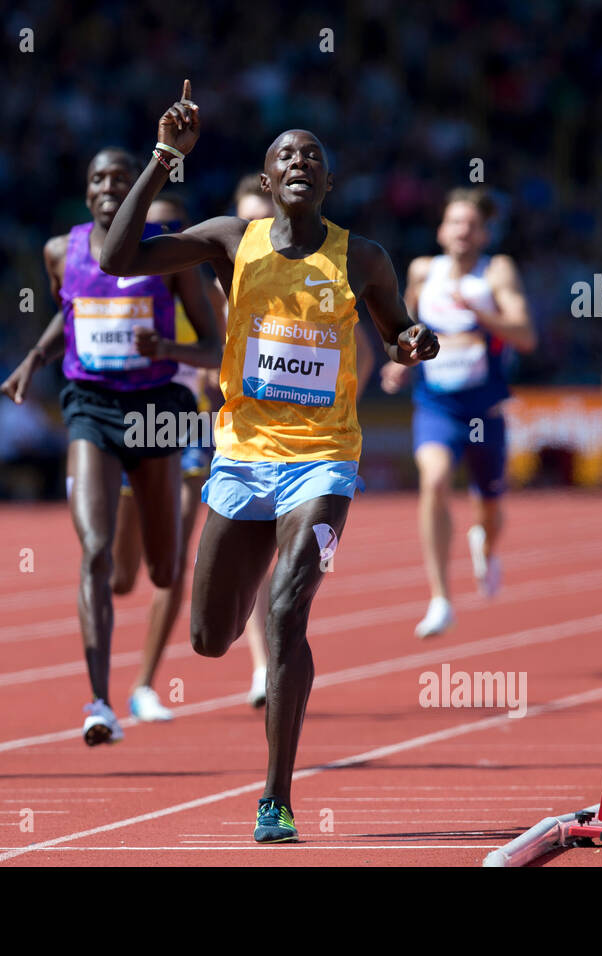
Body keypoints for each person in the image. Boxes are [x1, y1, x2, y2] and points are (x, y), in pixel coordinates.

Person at [100, 81, 439, 842]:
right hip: (242, 460)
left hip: (323, 462)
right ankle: (245, 646)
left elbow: (403, 334)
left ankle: (276, 797)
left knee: (287, 612)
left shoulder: (365, 259)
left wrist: (417, 343)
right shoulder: (231, 240)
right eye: (285, 154)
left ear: (327, 183)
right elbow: (116, 257)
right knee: (210, 638)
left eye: (312, 156)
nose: (300, 161)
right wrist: (163, 160)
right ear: (266, 179)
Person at [0, 148, 219, 745]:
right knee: (94, 552)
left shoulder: (171, 255)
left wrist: (167, 351)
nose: (108, 188)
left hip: (159, 413)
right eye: (98, 178)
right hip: (90, 407)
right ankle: (99, 701)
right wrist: (36, 357)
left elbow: (217, 346)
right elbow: (68, 314)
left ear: (140, 190)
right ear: (86, 187)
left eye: (121, 180)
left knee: (163, 567)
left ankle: (158, 619)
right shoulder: (59, 250)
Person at [219, 175, 377, 705]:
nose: (254, 226)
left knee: (289, 586)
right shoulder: (232, 263)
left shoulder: (327, 268)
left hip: (317, 451)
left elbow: (361, 348)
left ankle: (269, 664)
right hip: (236, 435)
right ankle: (255, 655)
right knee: (219, 599)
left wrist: (346, 387)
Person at [379, 188, 535, 638]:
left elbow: (525, 336)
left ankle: (484, 541)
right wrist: (399, 364)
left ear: (485, 232)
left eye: (471, 224)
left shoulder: (496, 271)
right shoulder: (423, 271)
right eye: (454, 222)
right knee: (434, 479)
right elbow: (402, 331)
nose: (462, 231)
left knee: (490, 506)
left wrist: (483, 314)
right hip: (437, 405)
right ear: (441, 230)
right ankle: (440, 598)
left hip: (484, 408)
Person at [109, 193, 224, 721]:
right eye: (148, 231)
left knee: (173, 562)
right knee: (121, 575)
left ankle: (143, 685)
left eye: (172, 229)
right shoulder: (118, 284)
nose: (161, 240)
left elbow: (220, 350)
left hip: (184, 421)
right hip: (128, 421)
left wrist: (182, 356)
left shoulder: (203, 287)